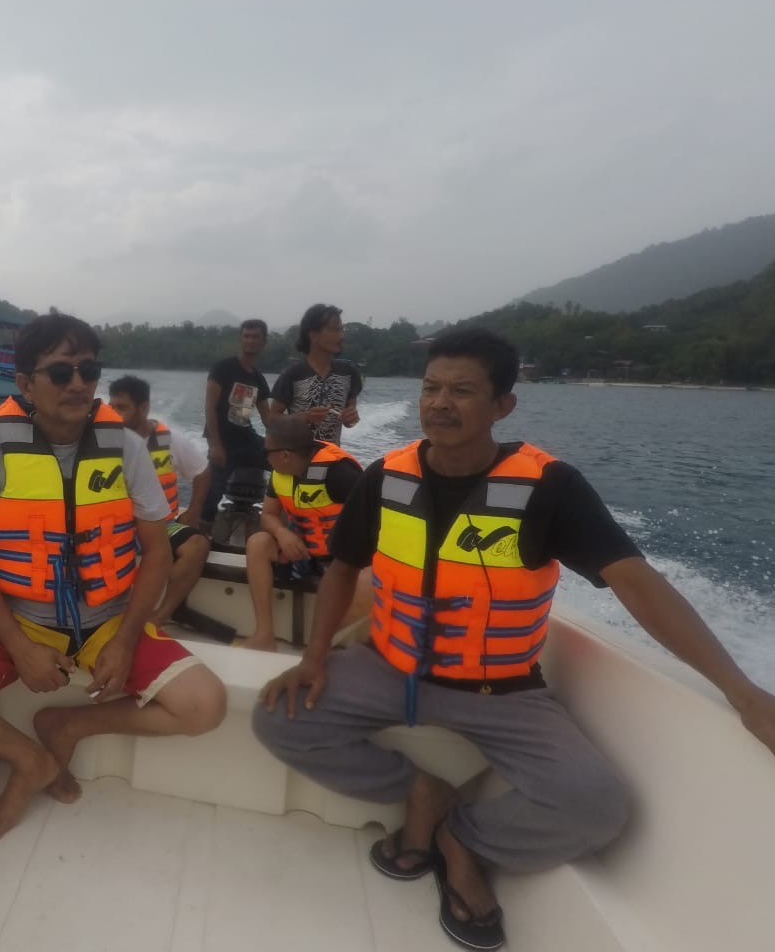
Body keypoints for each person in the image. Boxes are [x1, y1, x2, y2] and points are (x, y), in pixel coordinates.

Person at [252, 327, 775, 951]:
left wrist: (743, 693)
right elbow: (342, 568)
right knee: (278, 718)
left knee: (596, 805)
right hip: (388, 666)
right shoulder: (385, 476)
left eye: (462, 391)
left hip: (500, 689)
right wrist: (314, 659)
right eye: (431, 388)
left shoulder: (550, 488)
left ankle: (465, 839)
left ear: (503, 405)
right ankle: (421, 793)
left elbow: (639, 585)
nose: (440, 403)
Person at [0, 311, 227, 843]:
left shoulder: (126, 449)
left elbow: (157, 552)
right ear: (25, 384)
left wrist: (126, 639)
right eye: (61, 372)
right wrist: (20, 647)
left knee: (205, 706)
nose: (77, 384)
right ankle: (31, 760)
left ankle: (68, 725)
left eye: (88, 371)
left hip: (109, 620)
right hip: (22, 619)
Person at [240, 415, 367, 651]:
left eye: (266, 451)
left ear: (285, 455)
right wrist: (282, 533)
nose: (264, 456)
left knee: (365, 579)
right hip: (302, 551)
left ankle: (329, 648)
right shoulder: (280, 473)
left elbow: (373, 521)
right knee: (258, 543)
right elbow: (268, 515)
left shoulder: (338, 473)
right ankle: (264, 634)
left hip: (340, 558)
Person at [107, 374, 213, 629]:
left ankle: (160, 616)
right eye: (111, 407)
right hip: (115, 527)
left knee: (197, 545)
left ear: (143, 408)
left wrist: (194, 510)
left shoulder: (169, 440)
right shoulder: (103, 441)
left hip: (161, 525)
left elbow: (202, 471)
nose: (113, 413)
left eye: (121, 407)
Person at [202, 319, 273, 533]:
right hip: (223, 440)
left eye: (255, 337)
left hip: (246, 439)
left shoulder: (258, 378)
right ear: (241, 339)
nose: (250, 341)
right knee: (213, 491)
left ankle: (277, 523)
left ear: (263, 341)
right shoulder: (223, 368)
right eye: (246, 336)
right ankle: (201, 533)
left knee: (283, 465)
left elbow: (269, 419)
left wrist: (298, 424)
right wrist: (215, 445)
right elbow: (210, 407)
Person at [271, 303, 363, 446]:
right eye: (334, 330)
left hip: (331, 455)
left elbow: (350, 421)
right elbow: (271, 419)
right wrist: (304, 417)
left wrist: (351, 418)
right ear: (313, 335)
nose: (341, 336)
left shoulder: (348, 373)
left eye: (341, 330)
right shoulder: (292, 374)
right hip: (296, 456)